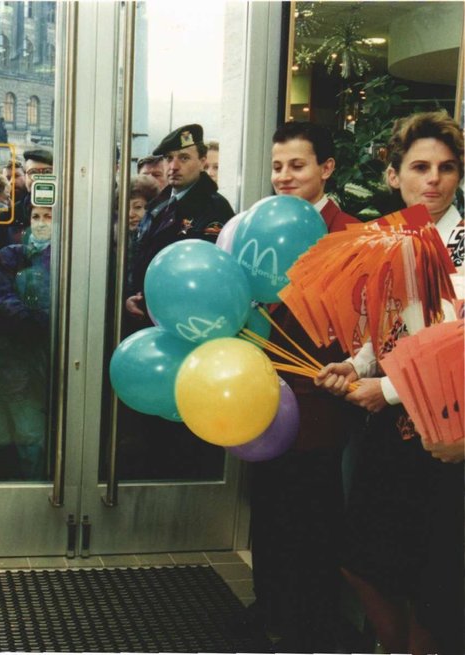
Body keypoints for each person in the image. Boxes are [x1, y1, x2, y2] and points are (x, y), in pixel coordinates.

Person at [315, 111, 463, 655]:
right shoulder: (393, 238)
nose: (434, 179)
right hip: (389, 430)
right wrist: (357, 366)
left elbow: (458, 342)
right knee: (362, 561)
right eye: (420, 166)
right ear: (394, 174)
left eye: (447, 168)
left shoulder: (464, 243)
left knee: (432, 580)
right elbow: (390, 321)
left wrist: (389, 389)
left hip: (445, 435)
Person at [234, 122, 362, 652]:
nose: (284, 177)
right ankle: (269, 608)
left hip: (321, 399)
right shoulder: (253, 228)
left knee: (312, 515)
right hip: (261, 391)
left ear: (326, 169)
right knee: (266, 507)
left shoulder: (351, 235)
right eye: (278, 166)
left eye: (298, 166)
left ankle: (310, 623)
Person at [125, 123, 235, 327]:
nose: (173, 166)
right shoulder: (159, 204)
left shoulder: (214, 208)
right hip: (147, 317)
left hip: (185, 322)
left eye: (184, 158)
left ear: (202, 162)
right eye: (168, 158)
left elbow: (210, 278)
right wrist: (132, 296)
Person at [0, 204, 53, 478]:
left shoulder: (72, 257)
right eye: (36, 217)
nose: (41, 223)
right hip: (19, 363)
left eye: (49, 217)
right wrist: (37, 322)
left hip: (59, 360)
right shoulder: (11, 256)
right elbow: (0, 299)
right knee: (29, 433)